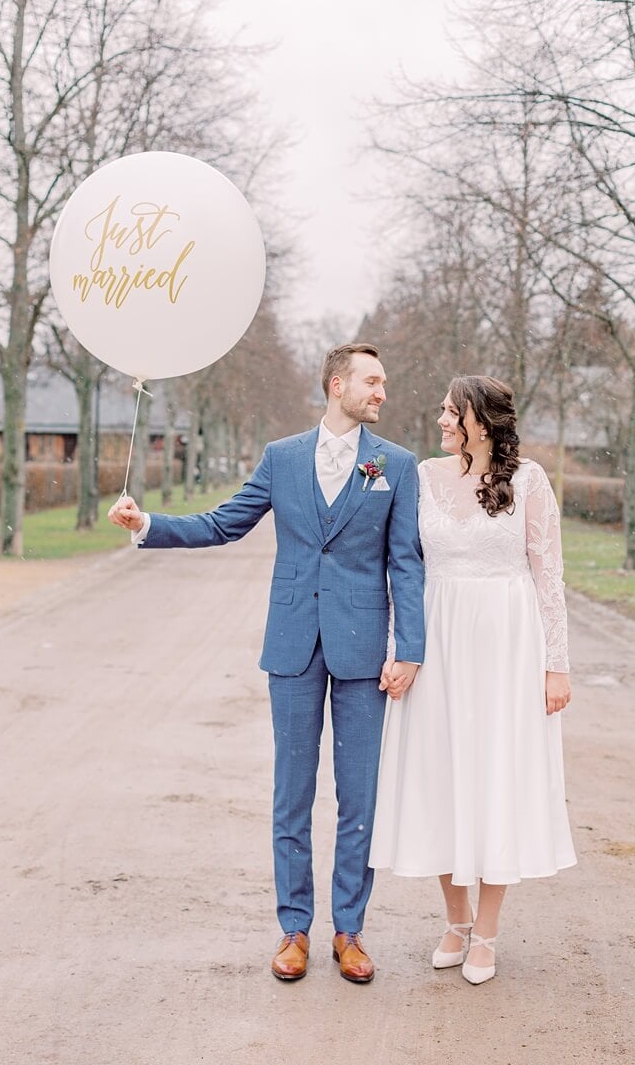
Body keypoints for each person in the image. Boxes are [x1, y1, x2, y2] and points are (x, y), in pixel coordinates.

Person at [108, 344, 424, 984]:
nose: (381, 392)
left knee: (359, 794)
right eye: (372, 381)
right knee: (293, 792)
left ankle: (349, 931)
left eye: (383, 383)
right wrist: (149, 524)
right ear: (338, 385)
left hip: (365, 650)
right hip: (293, 644)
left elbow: (406, 562)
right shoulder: (281, 458)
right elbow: (225, 524)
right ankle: (294, 929)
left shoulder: (396, 464)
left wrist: (410, 648)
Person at [369, 375, 576, 985]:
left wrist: (556, 665)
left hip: (507, 644)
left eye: (449, 412)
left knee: (496, 778)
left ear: (480, 421)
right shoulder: (424, 477)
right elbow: (404, 570)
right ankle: (454, 920)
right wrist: (399, 649)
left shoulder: (530, 480)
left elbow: (549, 577)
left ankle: (487, 931)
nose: (440, 420)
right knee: (442, 776)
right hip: (439, 639)